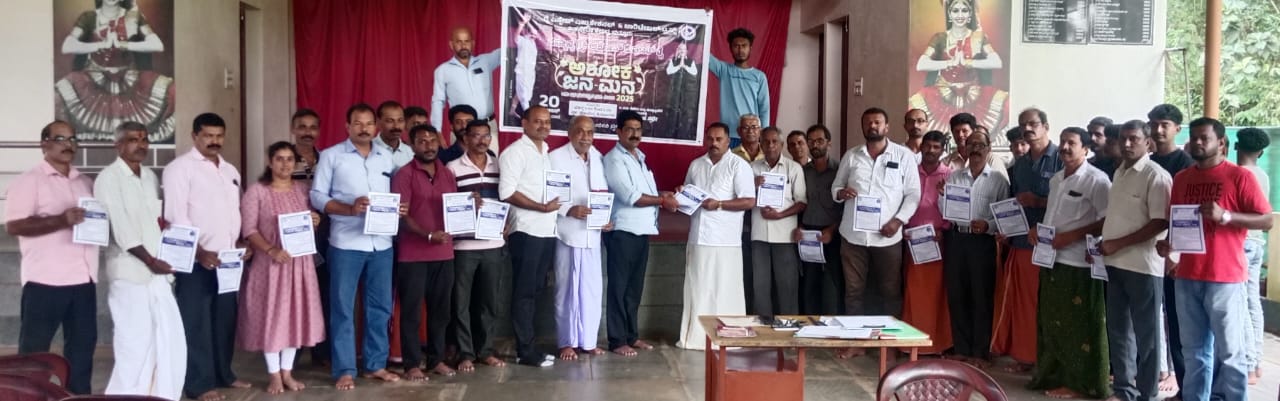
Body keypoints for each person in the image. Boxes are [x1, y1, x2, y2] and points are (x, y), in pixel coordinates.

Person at [1158, 117, 1272, 401]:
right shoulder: (1182, 178)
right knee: (1194, 352)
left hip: (1225, 277)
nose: (1197, 142)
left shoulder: (1239, 177)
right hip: (1186, 276)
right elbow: (1178, 222)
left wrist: (1227, 216)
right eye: (1193, 137)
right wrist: (1168, 247)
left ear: (1221, 143)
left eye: (1204, 138)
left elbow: (1267, 220)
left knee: (1231, 353)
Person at [310, 103, 406, 390]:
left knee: (380, 308)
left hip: (382, 244)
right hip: (346, 243)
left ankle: (375, 365)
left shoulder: (386, 158)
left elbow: (397, 192)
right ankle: (345, 369)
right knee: (342, 308)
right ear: (347, 126)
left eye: (368, 124)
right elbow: (317, 196)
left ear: (376, 127)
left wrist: (400, 208)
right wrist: (349, 209)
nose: (364, 129)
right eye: (358, 123)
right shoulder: (331, 156)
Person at [5, 121, 98, 395]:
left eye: (72, 139)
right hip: (45, 281)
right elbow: (14, 226)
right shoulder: (28, 181)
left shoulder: (85, 182)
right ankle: (26, 398)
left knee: (82, 349)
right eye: (60, 139)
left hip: (83, 279)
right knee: (34, 353)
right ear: (44, 143)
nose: (68, 145)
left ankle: (77, 397)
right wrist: (60, 220)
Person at [163, 113, 252, 401]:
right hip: (195, 261)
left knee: (224, 320)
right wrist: (199, 252)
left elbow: (234, 212)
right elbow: (175, 217)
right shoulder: (179, 169)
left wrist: (241, 242)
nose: (214, 141)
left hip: (228, 260)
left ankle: (223, 374)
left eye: (219, 135)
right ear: (195, 136)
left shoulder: (229, 170)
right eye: (208, 135)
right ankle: (199, 385)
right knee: (196, 323)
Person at [97, 122, 185, 400]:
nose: (142, 145)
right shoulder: (109, 178)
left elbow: (153, 221)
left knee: (163, 340)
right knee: (133, 343)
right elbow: (121, 229)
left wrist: (166, 234)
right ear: (119, 144)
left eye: (145, 139)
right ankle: (124, 396)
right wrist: (150, 260)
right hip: (130, 273)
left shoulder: (149, 177)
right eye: (134, 139)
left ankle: (155, 394)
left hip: (157, 273)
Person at [1026, 127, 1111, 399]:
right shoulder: (1057, 179)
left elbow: (1107, 220)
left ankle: (1080, 383)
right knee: (1053, 323)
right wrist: (1037, 231)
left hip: (1079, 264)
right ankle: (1053, 375)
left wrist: (1072, 237)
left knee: (1078, 327)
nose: (1064, 147)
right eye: (1062, 142)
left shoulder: (1097, 180)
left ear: (1085, 149)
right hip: (1051, 260)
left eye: (1071, 143)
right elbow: (1053, 217)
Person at [237, 141, 325, 394]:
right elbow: (249, 230)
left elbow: (305, 226)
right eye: (279, 159)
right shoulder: (257, 191)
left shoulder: (302, 190)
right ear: (270, 162)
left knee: (296, 316)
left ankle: (287, 372)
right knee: (273, 318)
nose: (285, 164)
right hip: (271, 265)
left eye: (289, 159)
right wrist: (271, 250)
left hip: (300, 265)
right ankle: (273, 374)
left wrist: (315, 221)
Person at [832, 108, 922, 341]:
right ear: (863, 127)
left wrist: (898, 221)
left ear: (887, 127)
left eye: (877, 122)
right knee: (853, 292)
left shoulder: (903, 156)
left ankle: (888, 344)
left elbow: (913, 194)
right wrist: (841, 193)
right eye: (868, 123)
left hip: (887, 237)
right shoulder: (852, 155)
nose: (872, 126)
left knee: (890, 292)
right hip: (853, 237)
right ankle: (855, 342)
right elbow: (836, 187)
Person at [1099, 120, 1172, 401]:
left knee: (1147, 337)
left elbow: (1160, 222)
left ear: (1148, 142)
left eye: (1134, 139)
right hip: (1115, 264)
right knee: (1119, 331)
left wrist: (1118, 243)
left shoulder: (1156, 175)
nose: (1127, 144)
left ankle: (1148, 393)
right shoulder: (1119, 172)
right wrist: (1105, 245)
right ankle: (1124, 390)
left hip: (1143, 267)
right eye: (1123, 139)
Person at [676, 122, 756, 350]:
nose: (714, 143)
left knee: (724, 291)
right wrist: (682, 194)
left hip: (726, 241)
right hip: (698, 238)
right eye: (710, 138)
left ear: (728, 141)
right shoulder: (696, 165)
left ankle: (728, 338)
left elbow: (749, 201)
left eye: (719, 139)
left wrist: (719, 204)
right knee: (698, 288)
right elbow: (689, 199)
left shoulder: (738, 165)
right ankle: (695, 339)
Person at [992, 108, 1061, 373]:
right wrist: (1005, 229)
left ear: (1046, 126)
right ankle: (1026, 357)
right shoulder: (1019, 164)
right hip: (1021, 244)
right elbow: (1013, 202)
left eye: (1033, 124)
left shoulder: (1060, 159)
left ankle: (1049, 362)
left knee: (1048, 304)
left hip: (1052, 246)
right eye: (1023, 125)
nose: (1028, 129)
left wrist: (1039, 201)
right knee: (1023, 305)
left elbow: (1068, 202)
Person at [603, 110, 672, 356]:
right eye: (629, 129)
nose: (635, 134)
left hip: (642, 231)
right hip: (623, 232)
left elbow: (648, 193)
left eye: (638, 129)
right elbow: (630, 196)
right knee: (619, 289)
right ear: (619, 132)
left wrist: (666, 195)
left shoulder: (640, 158)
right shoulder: (614, 159)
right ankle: (617, 340)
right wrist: (663, 201)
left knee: (633, 290)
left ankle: (632, 336)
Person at [392, 124, 459, 380]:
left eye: (432, 141)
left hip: (444, 253)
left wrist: (469, 207)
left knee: (440, 312)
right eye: (422, 141)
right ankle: (411, 364)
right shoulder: (404, 174)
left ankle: (436, 360)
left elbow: (454, 210)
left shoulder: (447, 173)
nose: (428, 146)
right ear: (412, 145)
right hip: (413, 254)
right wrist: (428, 235)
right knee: (411, 312)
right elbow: (402, 214)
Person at [56, 0, 175, 142]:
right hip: (95, 76)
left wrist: (123, 44)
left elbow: (157, 45)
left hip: (128, 77)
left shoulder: (133, 16)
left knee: (171, 90)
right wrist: (101, 45)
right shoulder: (89, 17)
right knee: (63, 89)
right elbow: (67, 46)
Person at [498, 106, 560, 367]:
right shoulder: (514, 153)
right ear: (524, 123)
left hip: (547, 231)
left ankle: (531, 345)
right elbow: (507, 192)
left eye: (547, 122)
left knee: (536, 290)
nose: (543, 126)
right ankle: (525, 351)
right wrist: (540, 207)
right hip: (526, 230)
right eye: (537, 121)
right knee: (524, 292)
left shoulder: (546, 153)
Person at [940, 130, 1006, 365]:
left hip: (982, 242)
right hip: (957, 239)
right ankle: (961, 348)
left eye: (980, 145)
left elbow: (1004, 214)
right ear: (965, 149)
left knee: (981, 296)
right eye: (971, 145)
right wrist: (942, 196)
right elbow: (944, 210)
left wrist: (988, 225)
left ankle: (980, 353)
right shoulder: (954, 177)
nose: (975, 149)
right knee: (957, 295)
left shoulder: (998, 180)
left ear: (989, 149)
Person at [447, 120, 508, 371]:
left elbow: (508, 198)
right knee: (461, 303)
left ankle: (485, 351)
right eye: (476, 136)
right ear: (465, 138)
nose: (482, 141)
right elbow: (447, 204)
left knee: (488, 302)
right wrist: (465, 201)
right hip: (464, 246)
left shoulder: (500, 165)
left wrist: (507, 224)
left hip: (494, 243)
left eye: (486, 136)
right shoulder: (453, 167)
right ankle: (465, 353)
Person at [549, 116, 610, 360]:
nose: (586, 137)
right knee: (567, 291)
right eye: (580, 131)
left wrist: (605, 219)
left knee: (592, 290)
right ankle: (567, 342)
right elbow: (548, 194)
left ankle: (588, 342)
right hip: (568, 234)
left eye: (590, 132)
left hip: (593, 236)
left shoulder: (598, 157)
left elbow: (603, 194)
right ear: (570, 133)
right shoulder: (556, 158)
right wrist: (568, 209)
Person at [908, 0, 1008, 137]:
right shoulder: (940, 38)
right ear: (949, 14)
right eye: (955, 11)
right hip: (943, 92)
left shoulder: (978, 38)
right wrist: (949, 63)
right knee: (913, 106)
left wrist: (969, 62)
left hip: (973, 92)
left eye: (964, 10)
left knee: (1005, 104)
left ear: (970, 14)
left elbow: (996, 62)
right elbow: (921, 64)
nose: (960, 15)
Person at [1147, 103, 1194, 395]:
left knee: (1178, 323)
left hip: (1174, 256)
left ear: (1177, 128)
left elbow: (1186, 215)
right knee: (1151, 318)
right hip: (1146, 252)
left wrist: (1175, 255)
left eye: (1164, 124)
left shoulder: (1186, 164)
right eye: (1154, 124)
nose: (1159, 130)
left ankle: (1182, 381)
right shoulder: (1146, 163)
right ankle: (1154, 374)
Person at [902, 130, 954, 356]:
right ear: (921, 147)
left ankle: (936, 343)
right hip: (910, 241)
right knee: (912, 293)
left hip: (937, 243)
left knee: (935, 296)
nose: (931, 151)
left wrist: (944, 229)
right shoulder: (910, 171)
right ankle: (909, 343)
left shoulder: (950, 175)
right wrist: (901, 227)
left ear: (942, 150)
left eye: (936, 147)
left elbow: (955, 208)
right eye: (927, 146)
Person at [750, 127, 808, 316]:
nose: (770, 145)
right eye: (766, 141)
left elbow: (801, 202)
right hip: (759, 236)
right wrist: (752, 186)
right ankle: (763, 328)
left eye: (775, 141)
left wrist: (780, 215)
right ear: (760, 144)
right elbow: (742, 198)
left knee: (787, 287)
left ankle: (788, 327)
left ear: (782, 145)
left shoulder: (794, 168)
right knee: (760, 287)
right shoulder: (752, 168)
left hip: (785, 236)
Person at [1235, 127, 1271, 384]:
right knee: (1253, 302)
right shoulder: (1263, 175)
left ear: (1236, 147)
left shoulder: (1239, 174)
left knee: (1240, 303)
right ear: (1260, 152)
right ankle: (1256, 362)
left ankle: (1247, 365)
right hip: (1257, 242)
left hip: (1242, 241)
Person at [798, 124, 845, 315]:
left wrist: (832, 230)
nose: (815, 145)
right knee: (809, 282)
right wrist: (800, 227)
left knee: (833, 283)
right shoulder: (802, 171)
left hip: (833, 232)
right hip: (808, 232)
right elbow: (799, 202)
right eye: (811, 141)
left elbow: (846, 207)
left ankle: (833, 325)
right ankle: (809, 324)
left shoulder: (840, 170)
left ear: (829, 143)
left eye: (819, 141)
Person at [430, 27, 501, 129]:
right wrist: (437, 130)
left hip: (488, 126)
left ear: (473, 43)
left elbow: (507, 48)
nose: (463, 46)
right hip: (462, 129)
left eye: (467, 41)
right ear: (451, 44)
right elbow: (438, 102)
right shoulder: (442, 70)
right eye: (459, 42)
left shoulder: (486, 61)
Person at [709, 28, 770, 140]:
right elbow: (703, 54)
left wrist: (764, 135)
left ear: (750, 48)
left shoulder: (759, 76)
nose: (740, 50)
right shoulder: (724, 70)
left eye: (744, 46)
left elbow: (764, 107)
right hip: (728, 135)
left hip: (751, 135)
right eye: (736, 46)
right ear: (730, 48)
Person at [730, 113, 764, 312]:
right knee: (742, 270)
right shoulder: (731, 156)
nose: (750, 131)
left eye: (754, 127)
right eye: (746, 127)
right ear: (738, 131)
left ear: (760, 130)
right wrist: (751, 184)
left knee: (761, 272)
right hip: (739, 221)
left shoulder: (770, 154)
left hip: (765, 219)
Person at [375, 101, 414, 169]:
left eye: (400, 120)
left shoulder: (411, 153)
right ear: (378, 122)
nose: (396, 126)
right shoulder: (367, 150)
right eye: (390, 121)